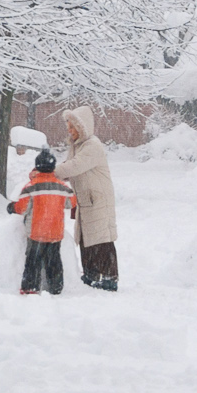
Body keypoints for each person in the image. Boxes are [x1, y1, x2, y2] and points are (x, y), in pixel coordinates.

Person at [60, 106, 120, 291]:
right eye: (68, 127)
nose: (69, 131)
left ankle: (109, 277)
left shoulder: (92, 145)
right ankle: (91, 274)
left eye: (73, 127)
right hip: (85, 199)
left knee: (101, 238)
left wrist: (50, 172)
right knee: (86, 238)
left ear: (82, 126)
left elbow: (75, 166)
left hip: (98, 198)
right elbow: (67, 165)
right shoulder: (77, 146)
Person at [7, 149, 74, 295]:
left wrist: (12, 207)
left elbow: (22, 207)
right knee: (54, 261)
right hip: (55, 232)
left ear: (37, 167)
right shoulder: (62, 186)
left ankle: (30, 287)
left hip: (36, 232)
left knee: (33, 261)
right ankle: (56, 287)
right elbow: (71, 203)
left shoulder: (31, 186)